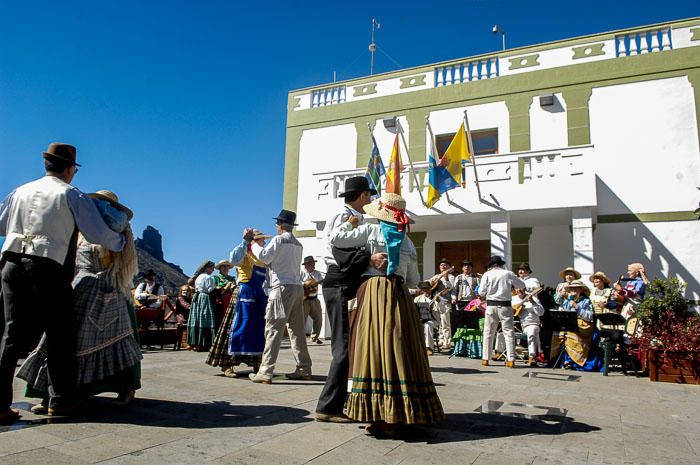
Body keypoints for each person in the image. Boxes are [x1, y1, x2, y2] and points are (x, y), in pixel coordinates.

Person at [0, 143, 126, 423]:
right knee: (60, 334)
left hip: (10, 264)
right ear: (70, 169)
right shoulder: (71, 195)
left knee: (9, 335)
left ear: (47, 165)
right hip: (47, 267)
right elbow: (96, 234)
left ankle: (0, 405)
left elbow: (1, 224)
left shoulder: (19, 191)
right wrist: (121, 240)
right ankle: (60, 400)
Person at [331, 192, 444, 437]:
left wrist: (350, 222)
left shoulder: (372, 231)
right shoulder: (408, 241)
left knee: (373, 348)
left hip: (375, 294)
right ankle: (405, 411)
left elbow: (337, 238)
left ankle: (382, 416)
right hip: (400, 295)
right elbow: (414, 280)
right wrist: (426, 284)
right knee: (400, 349)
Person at [18, 190, 142, 411]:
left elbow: (122, 262)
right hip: (79, 288)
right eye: (97, 203)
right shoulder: (82, 229)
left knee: (117, 342)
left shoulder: (117, 230)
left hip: (109, 289)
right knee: (62, 341)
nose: (100, 207)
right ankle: (52, 394)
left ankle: (125, 388)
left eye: (104, 204)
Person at [315, 176, 386, 423]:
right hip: (341, 282)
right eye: (370, 195)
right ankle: (327, 406)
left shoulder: (354, 218)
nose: (372, 200)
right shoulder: (346, 218)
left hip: (345, 282)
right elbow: (338, 252)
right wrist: (368, 260)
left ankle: (342, 402)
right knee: (343, 347)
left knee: (349, 345)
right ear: (363, 196)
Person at [249, 210, 312, 384]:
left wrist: (254, 243)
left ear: (281, 225)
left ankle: (266, 370)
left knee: (273, 328)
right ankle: (304, 367)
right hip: (297, 287)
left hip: (282, 287)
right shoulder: (298, 244)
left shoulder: (279, 239)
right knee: (297, 330)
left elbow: (264, 257)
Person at [207, 229, 270, 377]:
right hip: (244, 294)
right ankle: (227, 364)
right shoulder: (244, 253)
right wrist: (244, 242)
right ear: (253, 241)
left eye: (263, 240)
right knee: (237, 328)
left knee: (258, 329)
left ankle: (257, 364)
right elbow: (233, 259)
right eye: (261, 240)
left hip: (260, 296)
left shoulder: (264, 258)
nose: (264, 242)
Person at [478, 256, 526, 368]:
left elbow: (481, 292)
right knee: (508, 332)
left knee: (488, 332)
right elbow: (522, 285)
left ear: (491, 265)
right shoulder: (508, 273)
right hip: (505, 305)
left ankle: (486, 358)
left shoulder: (487, 275)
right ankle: (511, 359)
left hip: (491, 305)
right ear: (501, 264)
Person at [551, 280, 601, 371]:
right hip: (570, 324)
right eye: (571, 288)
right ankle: (562, 360)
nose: (573, 289)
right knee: (558, 333)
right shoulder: (568, 300)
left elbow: (589, 316)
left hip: (584, 325)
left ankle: (572, 361)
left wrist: (577, 307)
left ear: (581, 290)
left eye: (575, 288)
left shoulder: (586, 300)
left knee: (571, 334)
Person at [187, 260, 216, 351]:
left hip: (197, 297)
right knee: (205, 319)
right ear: (207, 268)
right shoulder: (208, 277)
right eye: (212, 268)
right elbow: (211, 289)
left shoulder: (198, 277)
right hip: (204, 298)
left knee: (196, 319)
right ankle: (203, 343)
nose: (213, 270)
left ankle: (194, 343)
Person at [512, 288, 545, 367]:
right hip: (517, 325)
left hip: (532, 323)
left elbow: (541, 313)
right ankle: (500, 353)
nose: (519, 290)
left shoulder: (534, 298)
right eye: (517, 288)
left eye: (521, 288)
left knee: (532, 331)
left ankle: (532, 356)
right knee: (501, 331)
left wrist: (533, 303)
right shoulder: (513, 299)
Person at [300, 256, 324, 344]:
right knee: (302, 320)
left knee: (319, 319)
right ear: (306, 265)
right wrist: (306, 283)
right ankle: (300, 339)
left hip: (314, 299)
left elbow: (322, 282)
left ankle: (314, 337)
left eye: (313, 263)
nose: (313, 265)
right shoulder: (301, 273)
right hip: (304, 300)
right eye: (311, 263)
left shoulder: (317, 273)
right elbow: (297, 282)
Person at [451, 260, 480, 329]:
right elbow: (454, 289)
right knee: (460, 321)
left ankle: (471, 338)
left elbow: (480, 289)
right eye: (464, 266)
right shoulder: (459, 277)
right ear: (462, 268)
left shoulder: (476, 278)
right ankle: (461, 338)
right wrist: (454, 298)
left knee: (471, 320)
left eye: (469, 266)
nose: (466, 267)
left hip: (472, 302)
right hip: (460, 302)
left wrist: (479, 299)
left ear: (471, 268)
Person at [414, 281, 440, 355]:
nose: (426, 291)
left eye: (428, 289)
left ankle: (429, 348)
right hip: (420, 320)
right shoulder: (417, 299)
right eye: (424, 289)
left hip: (433, 320)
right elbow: (414, 310)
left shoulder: (436, 297)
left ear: (430, 289)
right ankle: (415, 347)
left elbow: (443, 311)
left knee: (427, 325)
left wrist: (438, 302)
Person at [435, 258, 455, 350]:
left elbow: (450, 287)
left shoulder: (451, 277)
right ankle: (441, 340)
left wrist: (446, 277)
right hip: (437, 302)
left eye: (445, 265)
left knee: (445, 323)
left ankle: (447, 342)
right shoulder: (437, 276)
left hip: (446, 302)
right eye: (441, 265)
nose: (443, 266)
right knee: (439, 323)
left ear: (449, 267)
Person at [211, 260, 236, 331]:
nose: (225, 268)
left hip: (230, 301)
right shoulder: (215, 278)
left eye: (227, 266)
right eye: (223, 266)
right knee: (219, 319)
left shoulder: (232, 278)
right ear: (220, 268)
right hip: (219, 302)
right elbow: (214, 289)